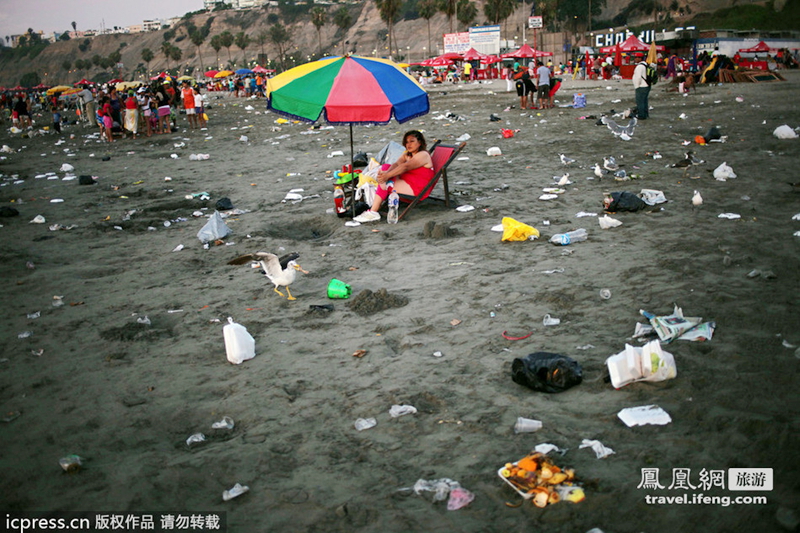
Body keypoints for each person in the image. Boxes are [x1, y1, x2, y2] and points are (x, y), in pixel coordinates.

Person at [353, 130, 434, 223]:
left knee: (385, 182)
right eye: (406, 142)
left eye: (412, 141)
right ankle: (373, 210)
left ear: (420, 142)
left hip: (417, 188)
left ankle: (373, 211)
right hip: (407, 182)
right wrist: (386, 173)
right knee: (386, 167)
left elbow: (405, 167)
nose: (409, 144)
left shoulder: (423, 154)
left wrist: (387, 176)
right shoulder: (407, 154)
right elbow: (396, 164)